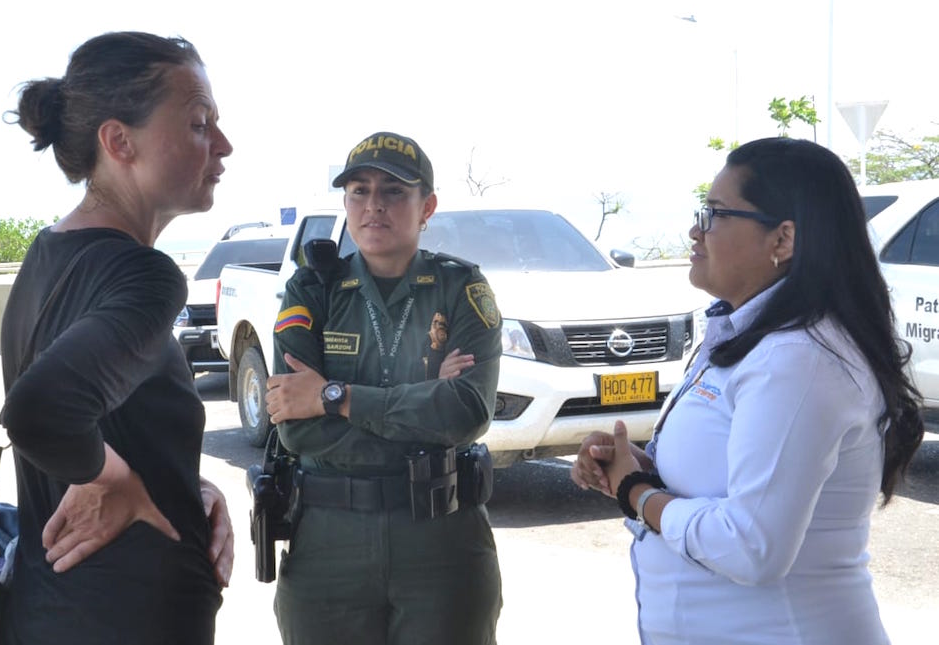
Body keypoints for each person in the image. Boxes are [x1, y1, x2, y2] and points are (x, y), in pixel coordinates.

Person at [571, 137, 925, 645]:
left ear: (783, 240)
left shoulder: (798, 357)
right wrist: (639, 465)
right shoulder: (754, 334)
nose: (695, 231)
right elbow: (729, 478)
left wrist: (638, 493)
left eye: (715, 214)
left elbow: (752, 546)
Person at [0, 31, 235, 645]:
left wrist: (182, 482)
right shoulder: (145, 274)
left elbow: (112, 423)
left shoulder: (48, 255)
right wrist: (119, 483)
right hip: (124, 616)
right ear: (118, 141)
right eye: (199, 124)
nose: (224, 146)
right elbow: (41, 413)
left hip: (57, 609)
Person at [262, 131, 504, 645]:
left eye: (394, 191)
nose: (374, 206)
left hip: (441, 543)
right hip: (329, 540)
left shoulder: (461, 287)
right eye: (359, 190)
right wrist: (423, 401)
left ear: (427, 206)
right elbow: (297, 430)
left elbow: (466, 410)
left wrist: (336, 397)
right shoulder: (313, 288)